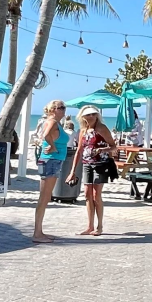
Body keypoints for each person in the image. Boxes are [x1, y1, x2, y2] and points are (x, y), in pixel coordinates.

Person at [67, 106, 116, 236]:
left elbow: (113, 146)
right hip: (87, 164)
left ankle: (99, 226)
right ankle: (90, 226)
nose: (91, 117)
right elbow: (79, 151)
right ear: (83, 117)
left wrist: (102, 150)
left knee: (96, 195)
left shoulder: (102, 128)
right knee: (87, 195)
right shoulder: (83, 130)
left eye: (93, 114)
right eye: (88, 115)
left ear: (97, 116)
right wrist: (72, 171)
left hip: (101, 164)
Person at [32, 99, 68, 243]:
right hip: (51, 161)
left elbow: (45, 136)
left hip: (51, 161)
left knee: (45, 197)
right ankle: (37, 233)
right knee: (44, 197)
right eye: (61, 107)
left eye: (64, 107)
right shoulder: (52, 121)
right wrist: (52, 146)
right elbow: (46, 135)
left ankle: (39, 231)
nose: (64, 110)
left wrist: (51, 145)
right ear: (53, 109)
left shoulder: (55, 122)